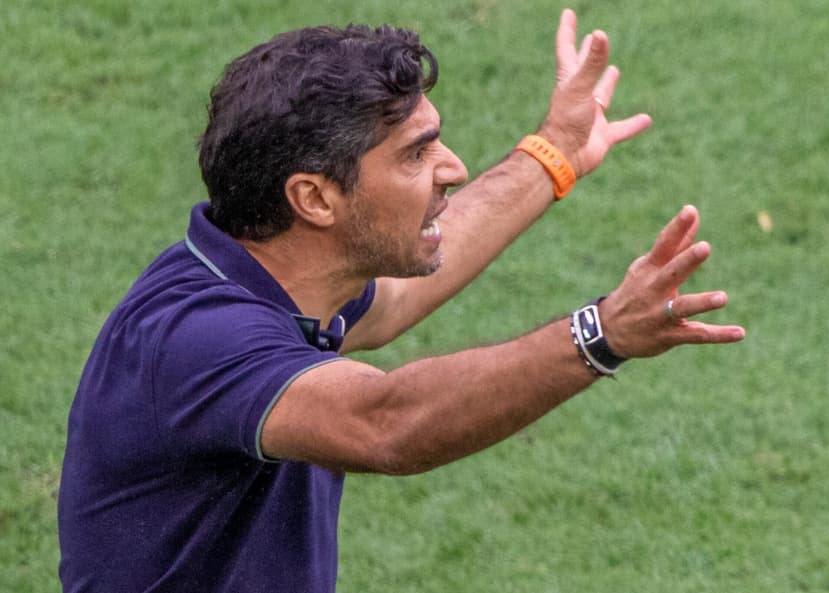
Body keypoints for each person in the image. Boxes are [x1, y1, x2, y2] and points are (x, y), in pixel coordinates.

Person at [58, 9, 744, 592]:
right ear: (315, 198)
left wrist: (554, 150)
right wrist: (604, 332)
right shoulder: (193, 338)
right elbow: (386, 423)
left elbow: (386, 304)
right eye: (416, 155)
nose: (454, 167)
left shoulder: (272, 277)